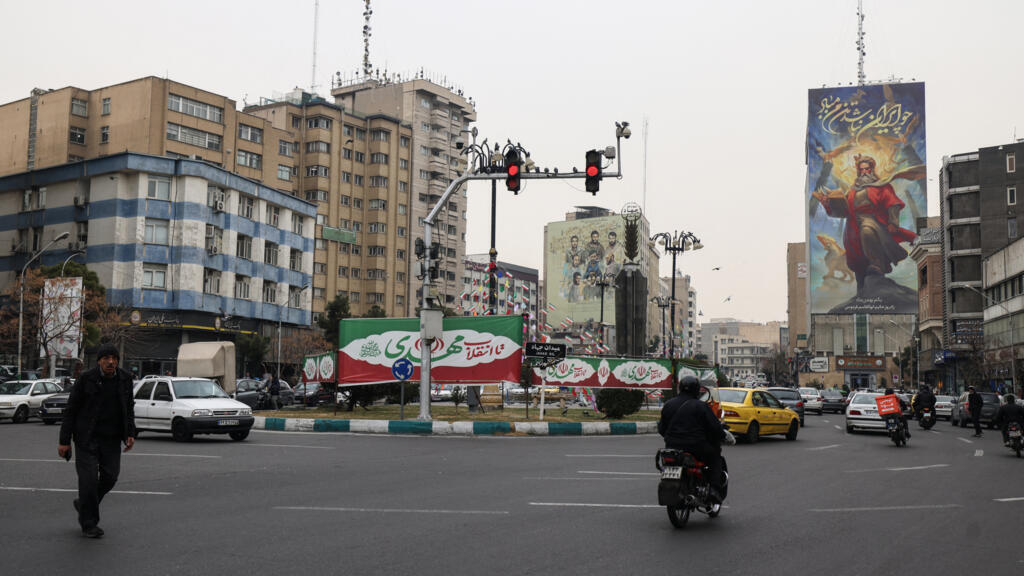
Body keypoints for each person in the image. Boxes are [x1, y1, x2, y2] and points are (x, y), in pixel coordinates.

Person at [58, 343, 136, 538]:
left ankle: (84, 504)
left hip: (111, 439)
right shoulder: (86, 379)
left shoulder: (125, 379)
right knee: (89, 481)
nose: (111, 362)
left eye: (114, 358)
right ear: (99, 361)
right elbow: (71, 410)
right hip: (86, 438)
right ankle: (89, 524)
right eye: (106, 358)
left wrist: (130, 433)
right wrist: (64, 441)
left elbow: (128, 408)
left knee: (110, 476)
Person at [812, 154, 917, 290]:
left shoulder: (881, 186)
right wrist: (828, 204)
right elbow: (843, 211)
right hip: (853, 226)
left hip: (872, 219)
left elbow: (893, 204)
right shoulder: (852, 190)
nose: (864, 172)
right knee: (858, 264)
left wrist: (893, 222)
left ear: (872, 169)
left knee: (867, 231)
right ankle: (861, 293)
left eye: (867, 169)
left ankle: (876, 264)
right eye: (861, 169)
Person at [658, 375, 727, 503]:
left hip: (672, 447)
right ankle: (714, 490)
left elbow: (661, 428)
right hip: (697, 447)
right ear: (696, 390)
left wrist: (673, 438)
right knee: (715, 457)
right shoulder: (701, 406)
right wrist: (722, 436)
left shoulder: (668, 405)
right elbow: (714, 427)